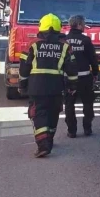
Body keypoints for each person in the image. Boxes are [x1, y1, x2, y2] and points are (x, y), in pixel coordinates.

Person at [18, 13, 78, 158]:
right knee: (53, 113)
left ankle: (43, 145)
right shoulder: (65, 47)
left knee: (38, 114)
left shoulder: (33, 45)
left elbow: (24, 68)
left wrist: (22, 84)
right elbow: (72, 69)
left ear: (41, 28)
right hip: (56, 87)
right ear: (58, 29)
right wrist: (73, 85)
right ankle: (49, 140)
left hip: (36, 87)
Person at [64, 15, 99, 138]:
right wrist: (95, 73)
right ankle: (87, 128)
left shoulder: (64, 40)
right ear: (79, 25)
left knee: (69, 105)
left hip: (68, 78)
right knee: (88, 103)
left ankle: (72, 131)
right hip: (84, 78)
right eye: (83, 24)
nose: (84, 26)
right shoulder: (85, 40)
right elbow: (92, 59)